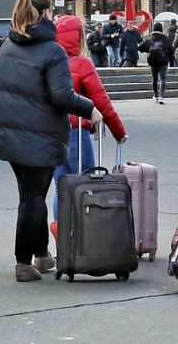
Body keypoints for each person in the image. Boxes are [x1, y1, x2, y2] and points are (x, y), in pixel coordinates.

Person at [0, 0, 100, 282]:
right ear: (47, 13)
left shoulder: (4, 44)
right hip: (38, 137)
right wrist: (90, 109)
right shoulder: (52, 51)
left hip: (8, 136)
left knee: (30, 195)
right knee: (32, 197)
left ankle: (41, 254)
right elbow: (62, 96)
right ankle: (23, 262)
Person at [51, 16, 127, 229]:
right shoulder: (82, 64)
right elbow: (101, 101)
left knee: (61, 187)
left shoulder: (48, 64)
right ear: (79, 38)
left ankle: (63, 236)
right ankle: (88, 236)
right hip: (75, 133)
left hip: (52, 134)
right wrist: (118, 131)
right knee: (88, 182)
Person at [139, 22, 172, 104]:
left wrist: (148, 50)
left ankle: (156, 96)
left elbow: (140, 47)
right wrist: (167, 55)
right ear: (161, 29)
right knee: (163, 79)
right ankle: (161, 96)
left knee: (154, 79)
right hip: (163, 61)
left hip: (152, 61)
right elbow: (171, 49)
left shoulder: (149, 38)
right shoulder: (165, 38)